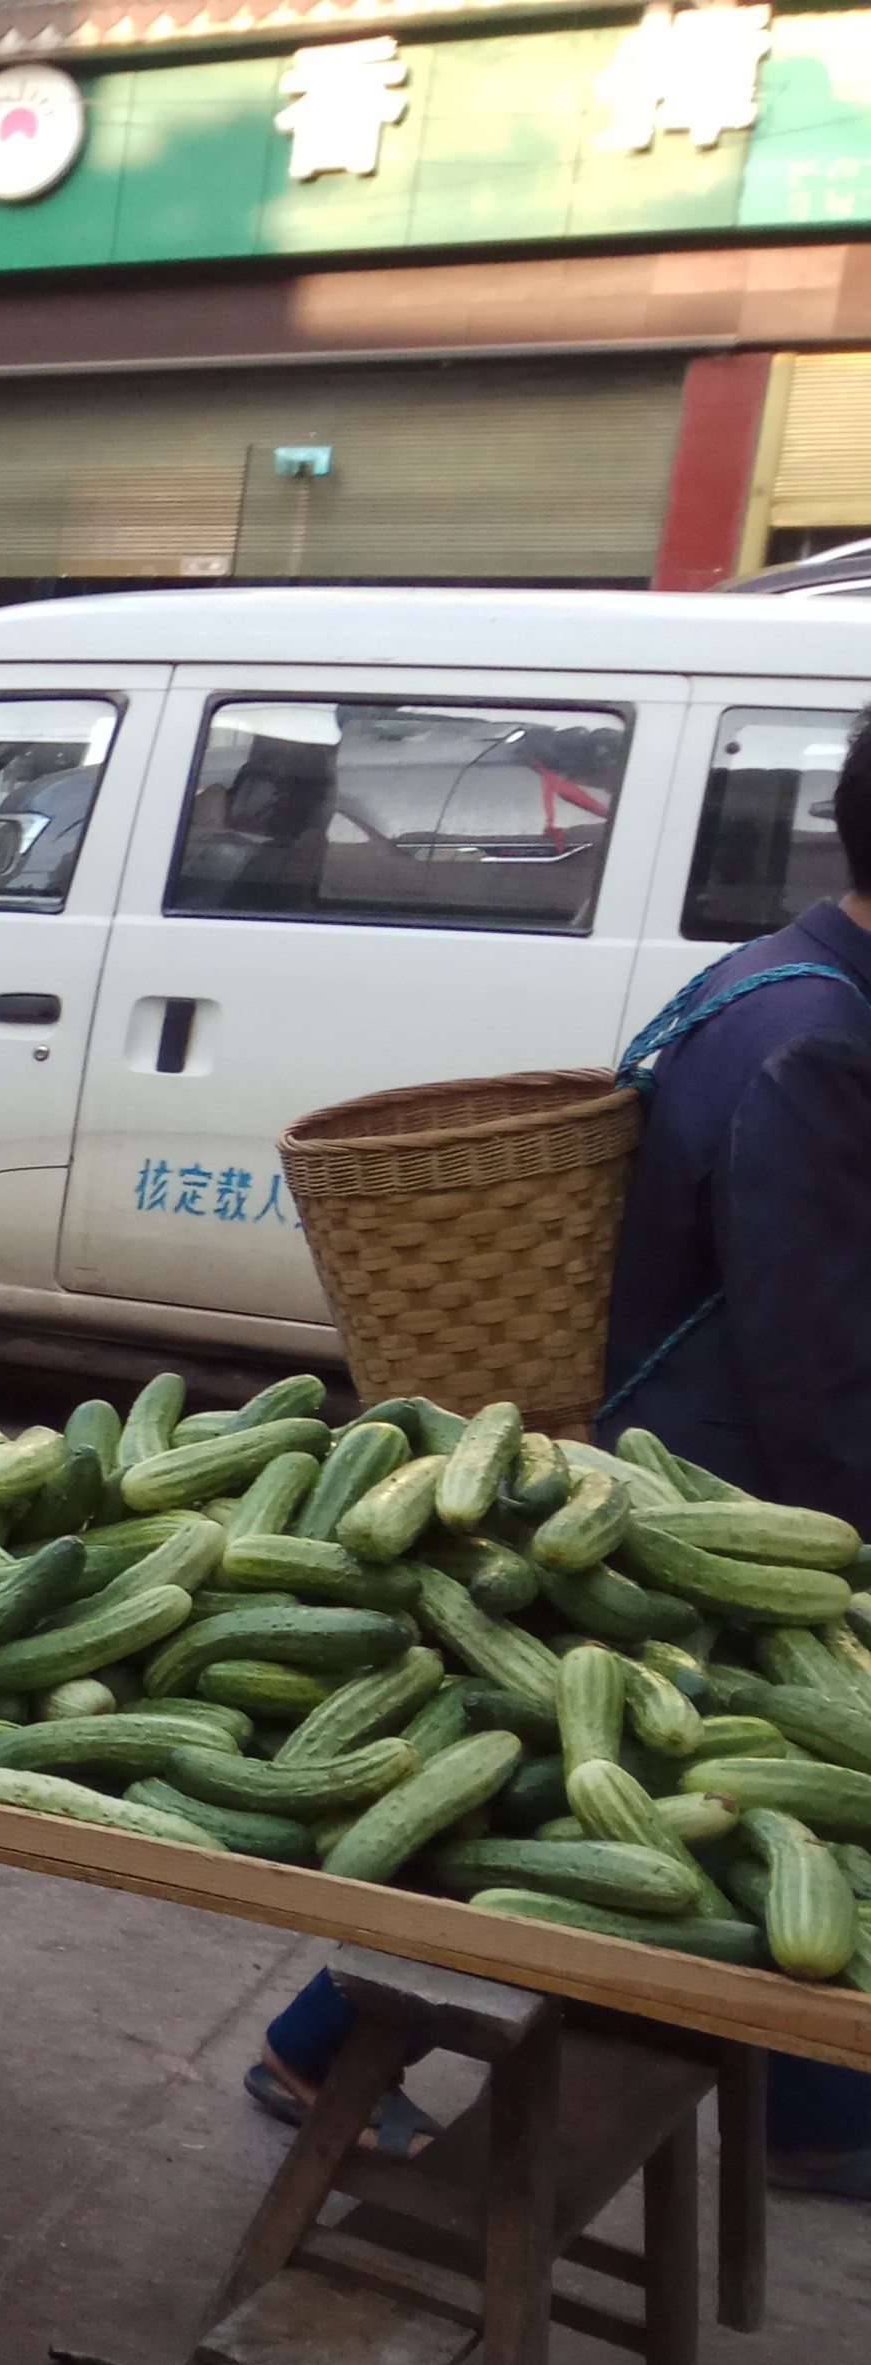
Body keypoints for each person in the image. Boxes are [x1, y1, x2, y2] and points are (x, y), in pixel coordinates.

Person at [249, 709, 871, 2195]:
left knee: (672, 1808)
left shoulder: (770, 979)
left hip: (680, 1470)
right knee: (643, 1810)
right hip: (715, 1503)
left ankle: (811, 2109)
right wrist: (843, 1548)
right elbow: (813, 1350)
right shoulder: (817, 1041)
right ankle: (320, 2049)